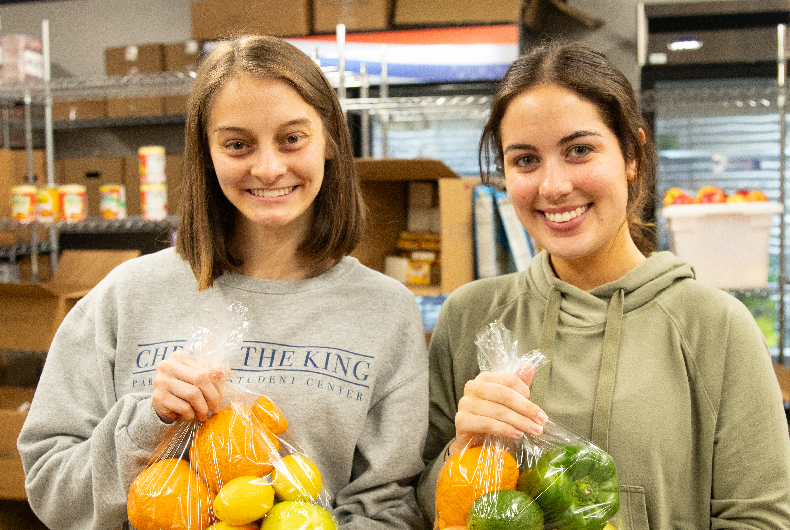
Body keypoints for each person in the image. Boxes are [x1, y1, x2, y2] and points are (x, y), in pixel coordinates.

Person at [18, 35, 428, 530]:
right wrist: (150, 423)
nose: (269, 168)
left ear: (331, 142)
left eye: (292, 138)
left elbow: (387, 508)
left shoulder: (385, 310)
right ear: (207, 155)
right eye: (238, 144)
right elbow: (51, 490)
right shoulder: (125, 297)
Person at [417, 41, 790, 528]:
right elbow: (422, 507)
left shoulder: (715, 326)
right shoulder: (471, 316)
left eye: (579, 150)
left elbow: (760, 517)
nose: (552, 186)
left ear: (631, 155)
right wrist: (465, 450)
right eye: (525, 160)